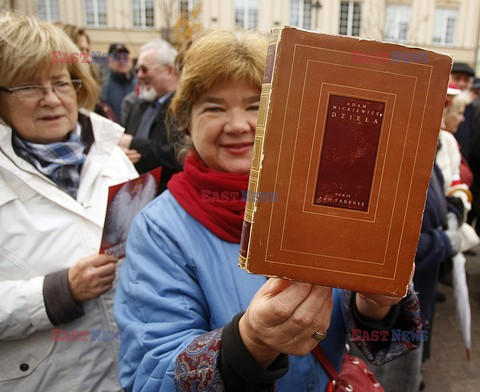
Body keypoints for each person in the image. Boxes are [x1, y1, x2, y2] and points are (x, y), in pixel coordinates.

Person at [114, 30, 422, 392]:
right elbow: (149, 375)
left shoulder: (320, 201)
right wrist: (249, 343)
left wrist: (376, 303)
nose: (239, 125)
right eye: (214, 107)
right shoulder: (160, 228)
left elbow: (376, 336)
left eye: (256, 105)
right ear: (186, 120)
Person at [0, 14, 138, 391]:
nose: (51, 99)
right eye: (28, 87)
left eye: (61, 83)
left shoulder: (111, 155)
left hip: (128, 371)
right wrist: (57, 292)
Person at [120, 38, 182, 192]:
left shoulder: (183, 109)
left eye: (144, 69)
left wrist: (132, 143)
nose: (139, 75)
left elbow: (175, 156)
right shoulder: (138, 105)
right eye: (137, 70)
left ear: (169, 70)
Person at [101, 43, 137, 122]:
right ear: (109, 61)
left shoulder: (140, 85)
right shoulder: (103, 89)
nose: (122, 61)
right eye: (117, 57)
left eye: (125, 57)